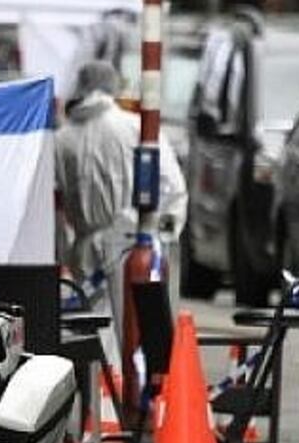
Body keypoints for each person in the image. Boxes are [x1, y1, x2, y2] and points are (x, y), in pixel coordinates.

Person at [54, 60, 187, 362]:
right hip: (133, 242)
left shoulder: (62, 139)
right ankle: (134, 396)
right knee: (137, 332)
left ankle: (101, 396)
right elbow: (172, 185)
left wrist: (62, 253)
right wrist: (161, 231)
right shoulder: (136, 127)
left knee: (91, 331)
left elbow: (57, 208)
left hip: (85, 249)